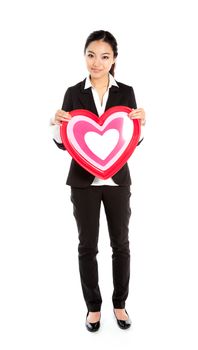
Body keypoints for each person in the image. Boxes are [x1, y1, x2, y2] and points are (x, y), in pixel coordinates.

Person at [50, 30, 146, 332]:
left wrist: (141, 124)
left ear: (114, 59)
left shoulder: (126, 92)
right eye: (91, 55)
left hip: (117, 180)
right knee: (86, 246)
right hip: (82, 182)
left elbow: (131, 140)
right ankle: (93, 308)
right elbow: (65, 143)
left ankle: (120, 304)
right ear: (84, 56)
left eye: (104, 56)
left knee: (121, 244)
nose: (97, 62)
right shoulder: (73, 92)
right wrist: (56, 124)